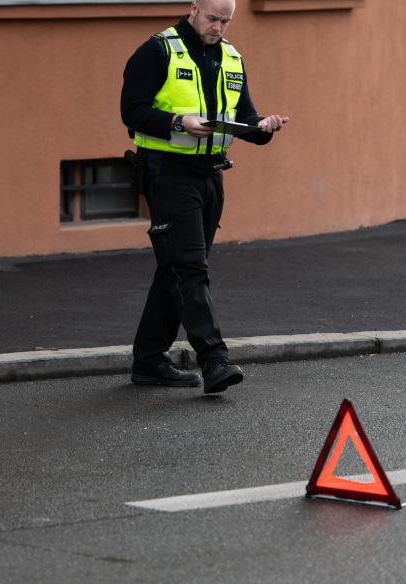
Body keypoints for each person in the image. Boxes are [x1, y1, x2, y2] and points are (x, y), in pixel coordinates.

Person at [120, 0, 288, 393]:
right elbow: (132, 111)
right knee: (190, 269)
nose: (218, 27)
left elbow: (244, 117)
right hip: (168, 173)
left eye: (226, 21)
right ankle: (215, 360)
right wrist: (178, 122)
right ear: (193, 9)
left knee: (177, 270)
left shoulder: (231, 58)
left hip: (211, 176)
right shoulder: (158, 50)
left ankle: (149, 360)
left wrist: (263, 127)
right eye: (212, 18)